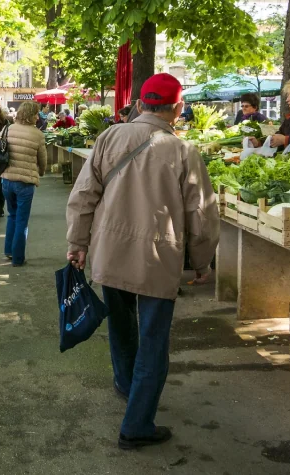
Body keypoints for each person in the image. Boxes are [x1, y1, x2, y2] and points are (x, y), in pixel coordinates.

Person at [66, 73, 220, 450]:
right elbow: (201, 214)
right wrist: (201, 262)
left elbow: (84, 194)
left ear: (138, 105)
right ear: (178, 110)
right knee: (153, 340)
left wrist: (77, 243)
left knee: (121, 326)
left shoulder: (109, 137)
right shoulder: (184, 152)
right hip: (157, 257)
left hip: (110, 250)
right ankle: (137, 424)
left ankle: (125, 383)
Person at [0, 101, 47, 267]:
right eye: (36, 114)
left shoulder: (8, 129)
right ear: (31, 115)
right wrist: (41, 172)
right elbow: (42, 160)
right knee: (22, 220)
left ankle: (9, 251)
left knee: (12, 216)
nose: (38, 117)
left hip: (7, 181)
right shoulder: (37, 134)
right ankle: (18, 258)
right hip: (25, 183)